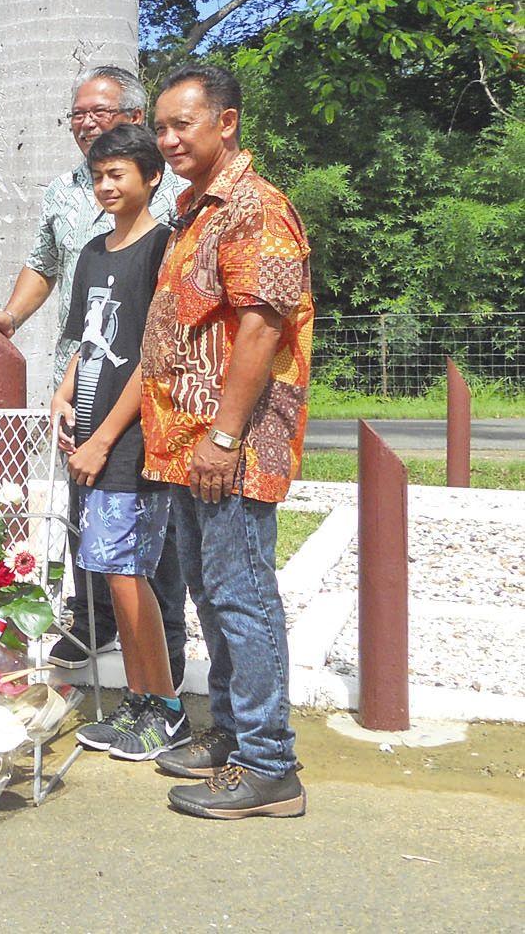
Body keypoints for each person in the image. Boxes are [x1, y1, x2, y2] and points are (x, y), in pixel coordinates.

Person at [0, 67, 188, 678]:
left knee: (148, 531)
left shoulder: (174, 199)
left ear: (136, 122)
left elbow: (164, 335)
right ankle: (93, 621)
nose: (87, 124)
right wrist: (12, 318)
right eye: (78, 114)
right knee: (87, 514)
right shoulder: (66, 195)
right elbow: (45, 266)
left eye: (101, 113)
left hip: (145, 392)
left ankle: (162, 659)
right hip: (85, 377)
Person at [140, 64, 313, 820]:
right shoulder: (194, 208)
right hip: (186, 442)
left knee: (242, 596)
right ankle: (235, 736)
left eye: (183, 125)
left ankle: (270, 766)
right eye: (161, 128)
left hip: (228, 446)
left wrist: (223, 433)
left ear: (227, 122)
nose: (169, 139)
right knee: (210, 594)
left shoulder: (254, 207)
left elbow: (262, 327)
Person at [46, 125, 187, 761]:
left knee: (129, 575)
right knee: (106, 568)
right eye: (98, 176)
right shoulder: (91, 253)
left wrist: (103, 440)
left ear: (152, 177)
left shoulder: (162, 247)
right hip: (87, 431)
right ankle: (137, 699)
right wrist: (63, 397)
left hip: (130, 441)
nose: (105, 186)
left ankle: (166, 708)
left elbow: (154, 357)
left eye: (117, 175)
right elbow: (87, 339)